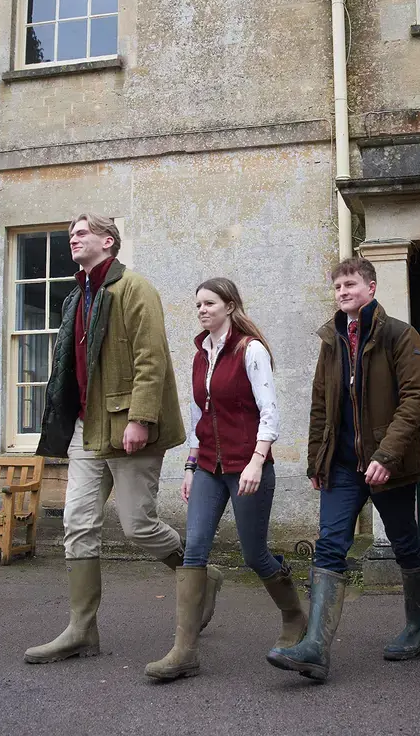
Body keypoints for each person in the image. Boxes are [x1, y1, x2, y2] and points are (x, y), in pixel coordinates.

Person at [26, 213, 222, 664]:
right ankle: (81, 630)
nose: (73, 238)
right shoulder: (76, 296)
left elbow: (151, 358)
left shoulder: (134, 288)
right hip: (84, 429)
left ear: (107, 241)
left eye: (82, 233)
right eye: (71, 234)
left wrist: (140, 418)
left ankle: (201, 574)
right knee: (77, 525)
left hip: (127, 426)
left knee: (137, 526)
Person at [266, 256, 420, 681]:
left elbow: (414, 400)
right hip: (342, 466)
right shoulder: (331, 341)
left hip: (388, 465)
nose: (343, 292)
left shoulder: (400, 334)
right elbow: (320, 405)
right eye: (338, 286)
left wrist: (386, 456)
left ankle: (416, 628)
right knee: (330, 546)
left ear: (372, 288)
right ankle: (315, 648)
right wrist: (315, 461)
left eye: (351, 285)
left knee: (405, 546)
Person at [145, 278, 305, 681]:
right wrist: (190, 465)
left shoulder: (250, 351)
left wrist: (256, 460)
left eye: (209, 303)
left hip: (247, 466)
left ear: (230, 306)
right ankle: (184, 652)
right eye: (197, 303)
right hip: (209, 468)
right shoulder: (201, 353)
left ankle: (294, 616)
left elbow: (270, 412)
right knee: (194, 549)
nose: (201, 309)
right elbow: (201, 414)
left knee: (254, 555)